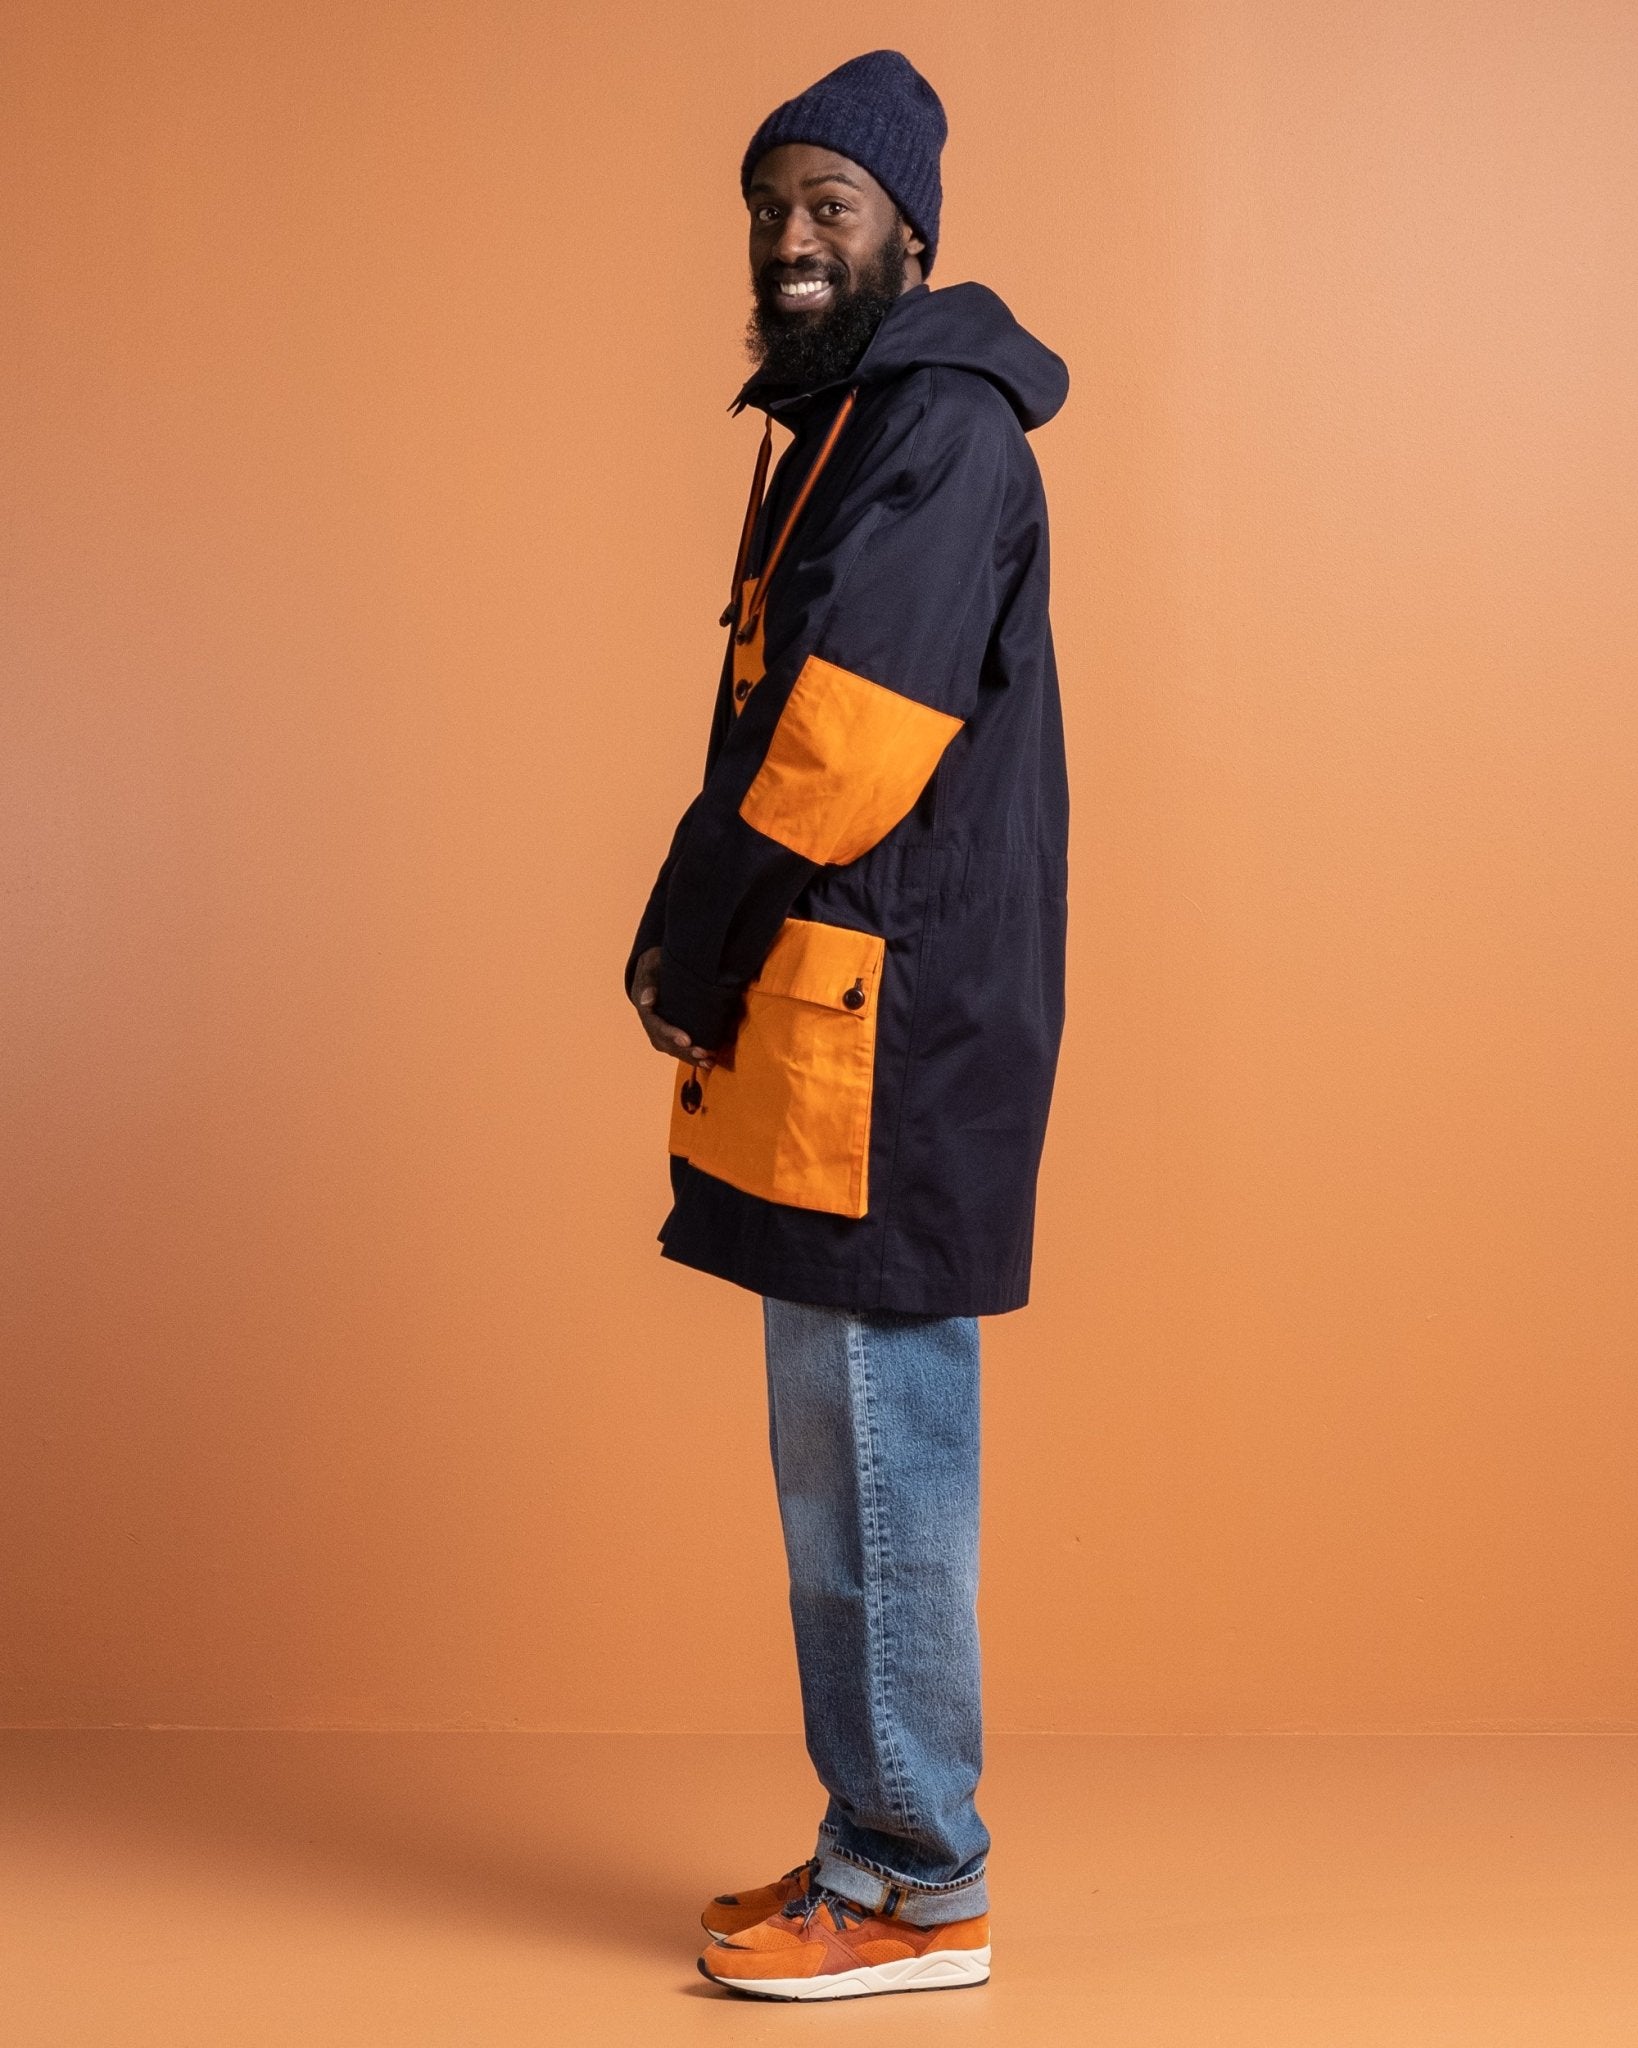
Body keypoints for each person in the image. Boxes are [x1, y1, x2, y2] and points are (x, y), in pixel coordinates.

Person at [623, 49, 1070, 2002]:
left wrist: (689, 928)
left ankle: (911, 1883)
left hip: (895, 1033)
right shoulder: (851, 417)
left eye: (832, 204)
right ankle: (872, 1847)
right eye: (770, 204)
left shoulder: (940, 429)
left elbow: (842, 744)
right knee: (841, 1460)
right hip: (844, 1016)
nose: (791, 236)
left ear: (911, 233)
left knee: (879, 1459)